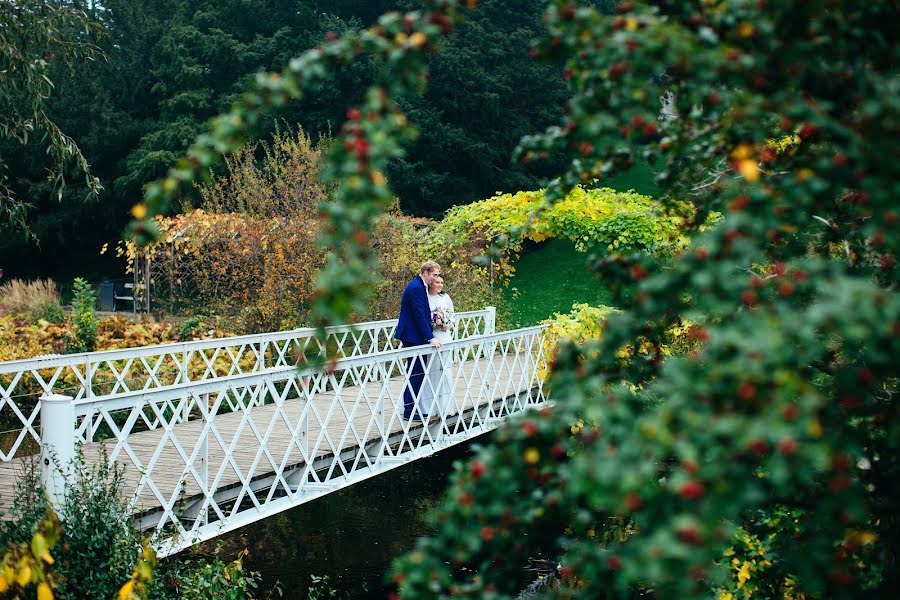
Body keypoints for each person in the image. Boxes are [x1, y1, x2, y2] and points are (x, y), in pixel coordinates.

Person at [394, 260, 442, 421]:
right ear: (426, 272)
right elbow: (418, 314)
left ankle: (412, 409)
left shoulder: (419, 285)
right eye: (434, 275)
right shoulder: (415, 287)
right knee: (416, 373)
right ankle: (409, 411)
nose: (435, 278)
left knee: (418, 373)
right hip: (413, 336)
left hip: (414, 335)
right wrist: (430, 337)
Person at [422, 274, 455, 419]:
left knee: (445, 370)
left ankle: (445, 406)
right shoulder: (425, 298)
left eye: (442, 282)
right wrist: (433, 324)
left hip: (445, 336)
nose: (440, 285)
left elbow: (452, 314)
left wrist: (448, 324)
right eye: (437, 282)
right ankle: (429, 406)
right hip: (433, 338)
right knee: (431, 370)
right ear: (431, 283)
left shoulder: (445, 298)